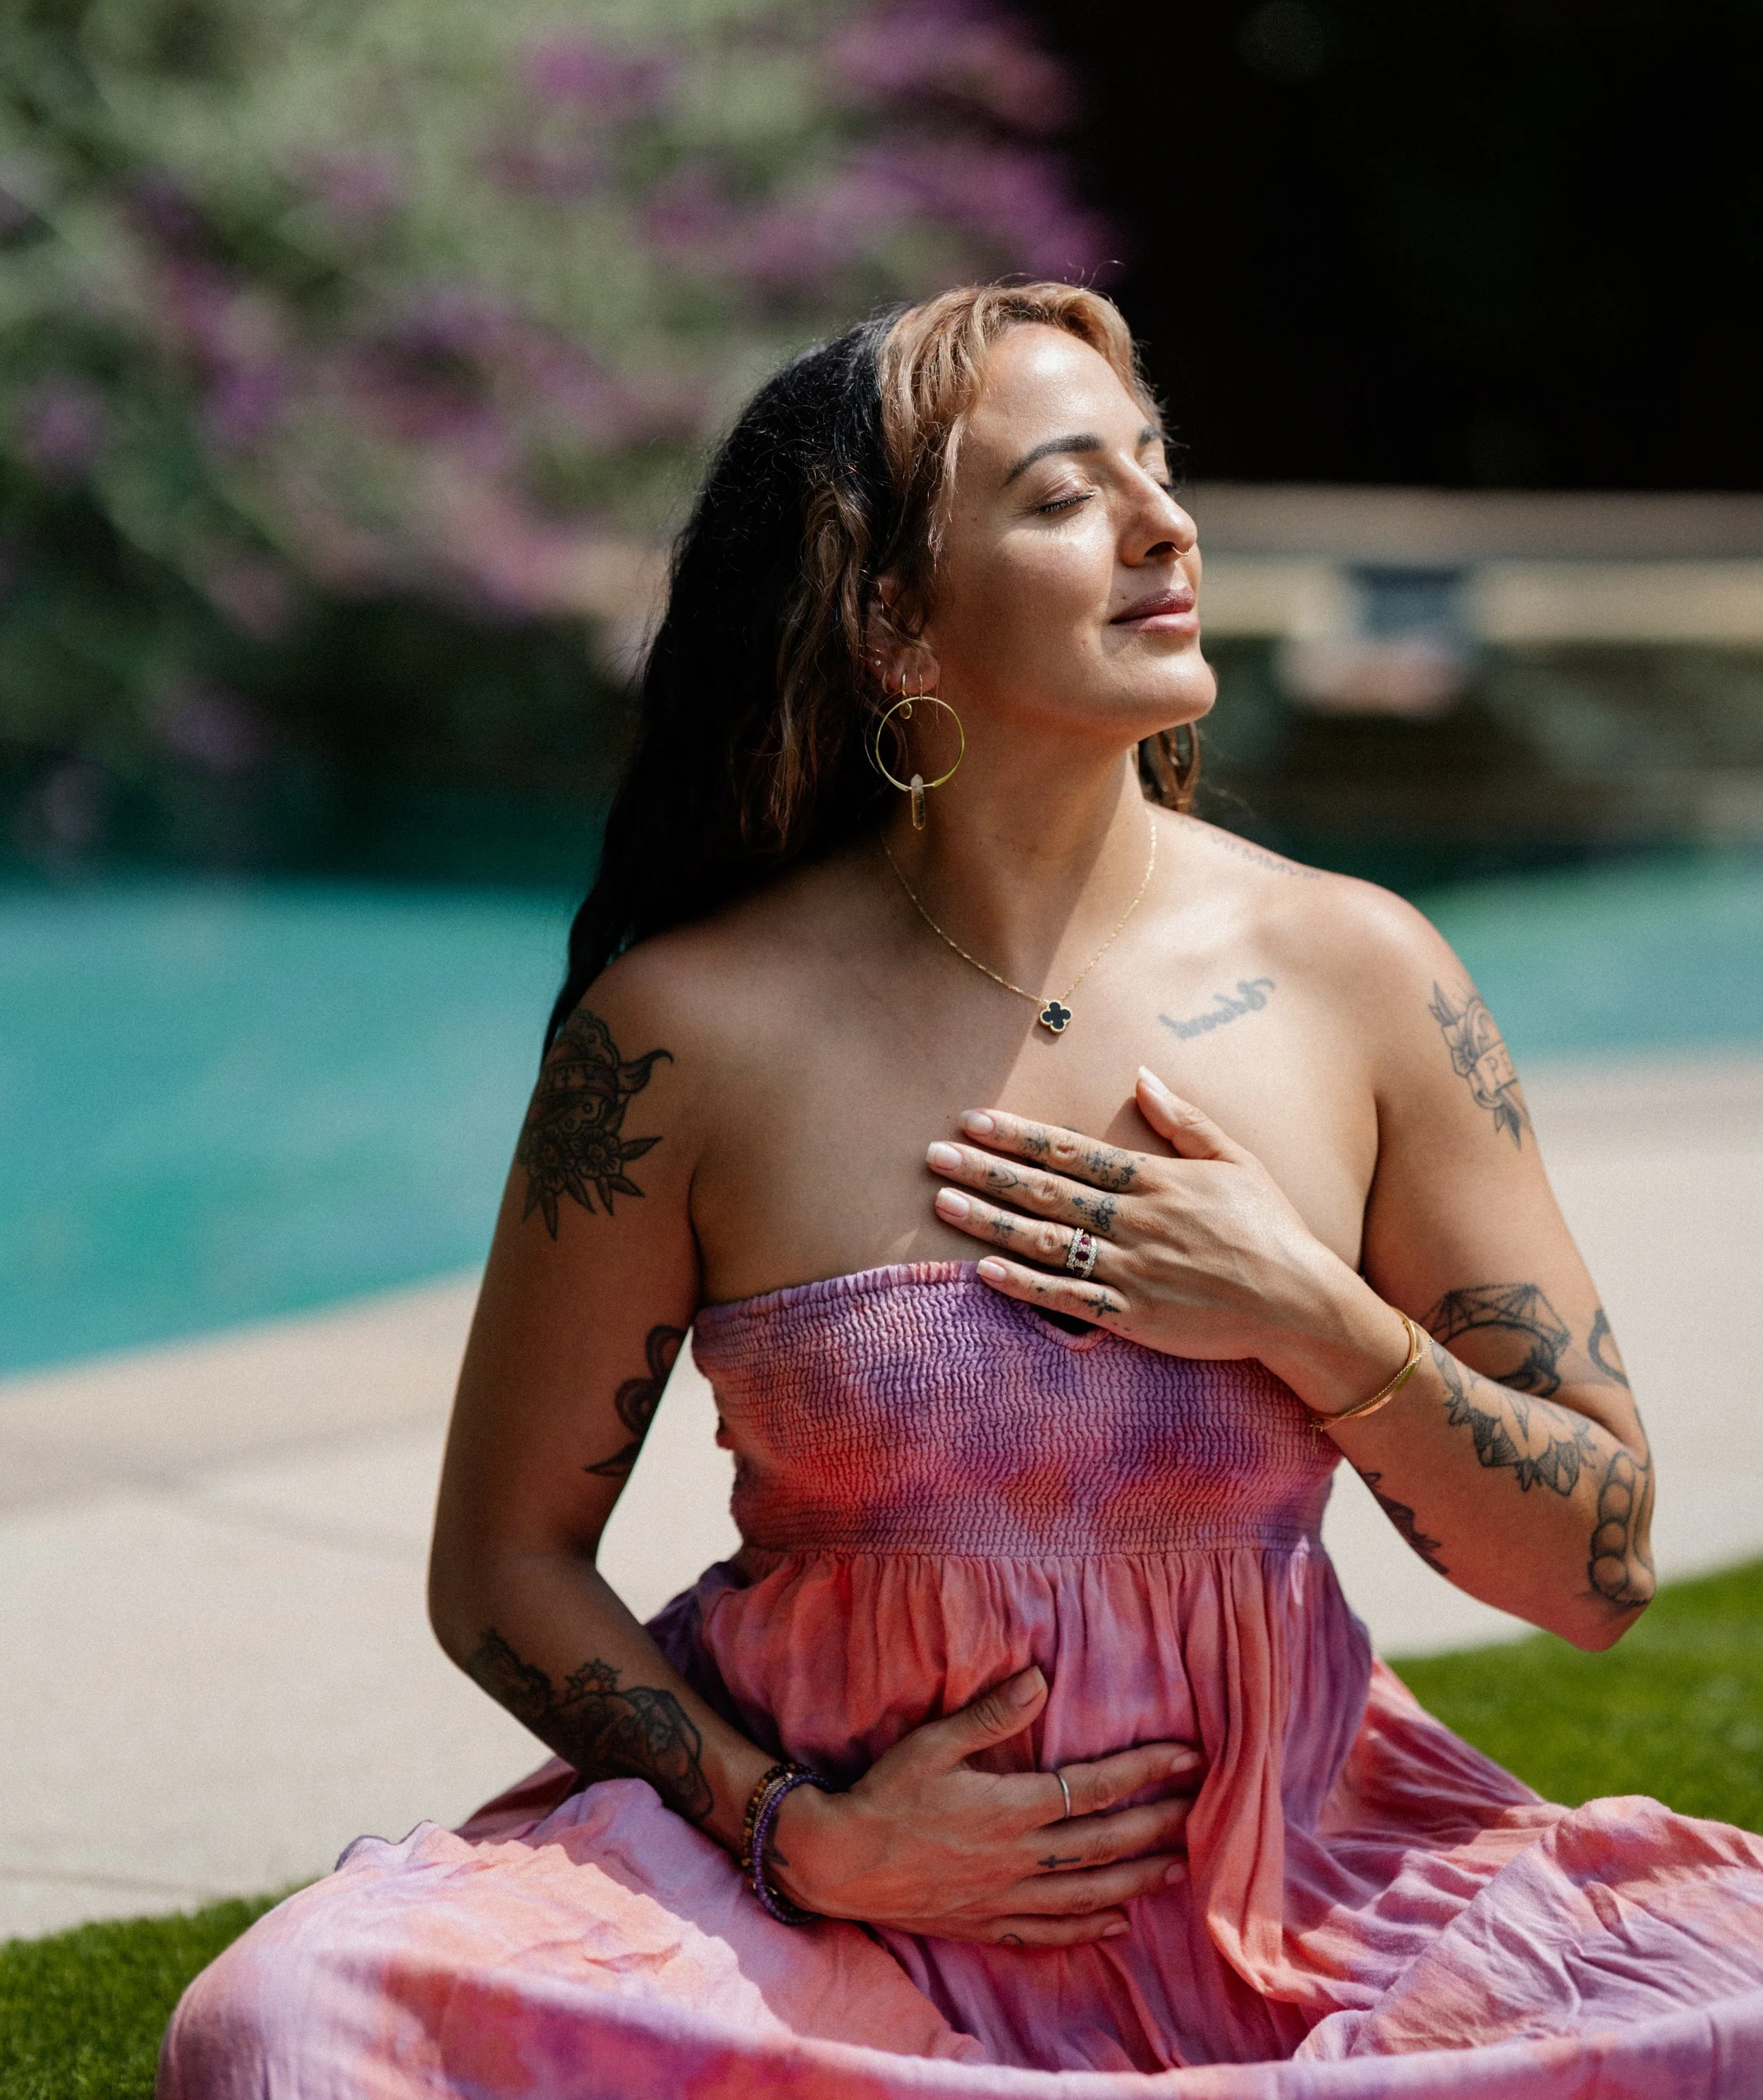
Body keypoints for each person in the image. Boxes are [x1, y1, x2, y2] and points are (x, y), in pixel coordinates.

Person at [161, 283, 1763, 2096]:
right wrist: (801, 1834)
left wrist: (1307, 1315)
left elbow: (1600, 1570)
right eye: (1068, 495)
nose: (1166, 526)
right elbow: (503, 1565)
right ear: (888, 619)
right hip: (804, 1913)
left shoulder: (1361, 973)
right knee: (288, 2026)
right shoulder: (684, 1033)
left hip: (1298, 1890)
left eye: (1156, 471)